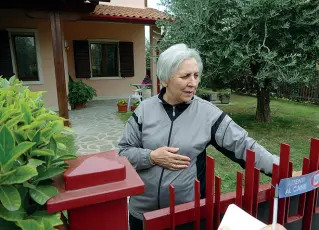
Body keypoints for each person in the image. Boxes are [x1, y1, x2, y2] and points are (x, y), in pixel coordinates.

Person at [118, 43, 280, 230]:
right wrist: (151, 157)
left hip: (186, 215)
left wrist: (281, 168)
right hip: (143, 215)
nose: (193, 83)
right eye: (185, 76)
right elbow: (123, 153)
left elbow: (243, 145)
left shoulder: (207, 114)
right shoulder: (145, 110)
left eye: (196, 75)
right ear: (164, 80)